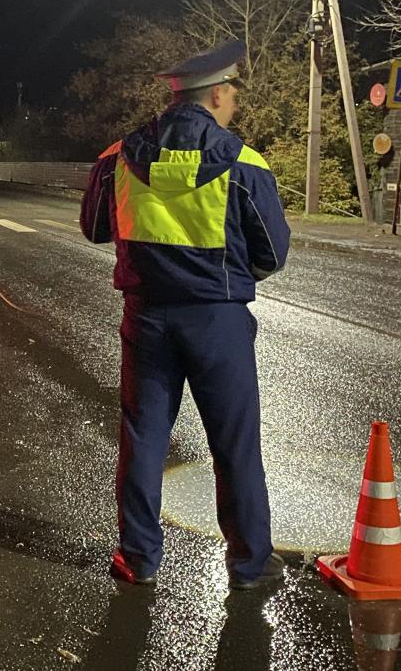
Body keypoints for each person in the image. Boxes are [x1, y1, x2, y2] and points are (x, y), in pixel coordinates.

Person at [79, 39, 291, 590]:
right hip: (218, 322)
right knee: (234, 443)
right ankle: (249, 565)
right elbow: (272, 254)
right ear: (216, 94)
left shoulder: (117, 156)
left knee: (144, 439)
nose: (236, 105)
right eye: (233, 96)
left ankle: (138, 559)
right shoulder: (244, 163)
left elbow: (96, 229)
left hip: (147, 317)